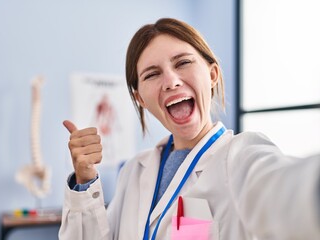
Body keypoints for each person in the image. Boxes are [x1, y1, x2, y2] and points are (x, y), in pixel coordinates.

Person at [59, 18, 320, 240]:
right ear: (140, 99)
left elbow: (285, 191)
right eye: (152, 74)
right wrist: (85, 181)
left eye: (183, 63)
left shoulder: (240, 157)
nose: (171, 81)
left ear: (212, 74)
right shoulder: (134, 173)